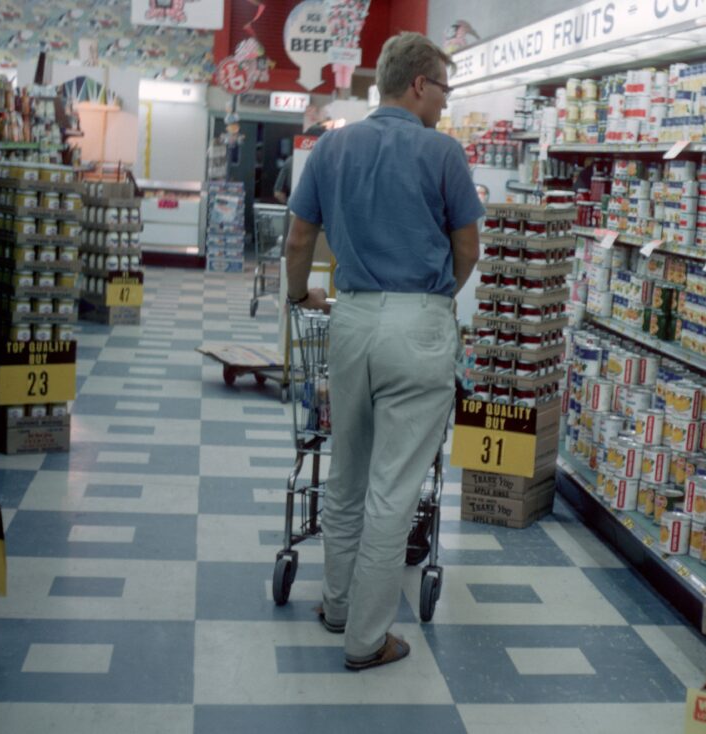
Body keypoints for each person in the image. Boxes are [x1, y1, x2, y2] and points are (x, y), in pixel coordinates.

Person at [283, 32, 483, 670]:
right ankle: (366, 640)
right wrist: (432, 303)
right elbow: (469, 248)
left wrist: (299, 296)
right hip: (418, 322)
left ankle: (337, 605)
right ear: (420, 84)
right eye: (444, 90)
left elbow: (297, 241)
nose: (445, 105)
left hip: (351, 316)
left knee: (346, 477)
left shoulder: (332, 145)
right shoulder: (443, 153)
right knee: (394, 490)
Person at [273, 108, 329, 205]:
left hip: (297, 211)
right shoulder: (332, 162)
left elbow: (278, 193)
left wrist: (290, 205)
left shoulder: (291, 160)